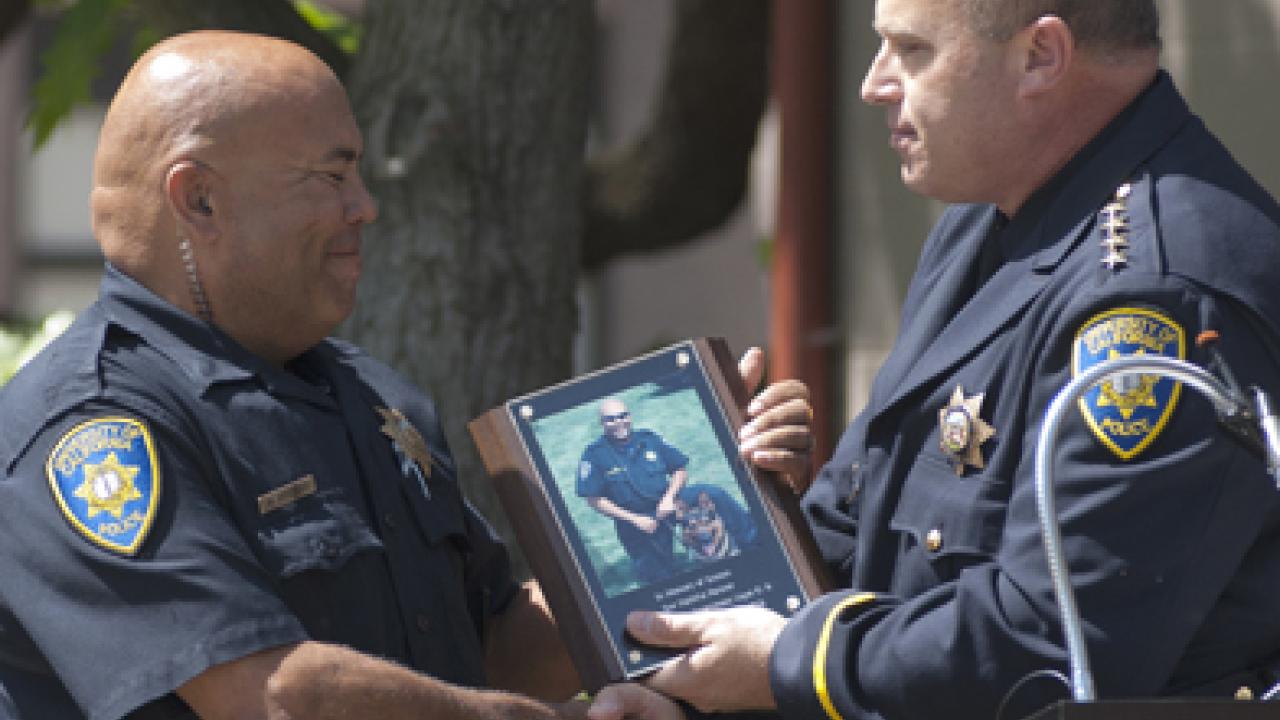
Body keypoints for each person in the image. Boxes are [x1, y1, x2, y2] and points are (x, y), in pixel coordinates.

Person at [0, 31, 816, 720]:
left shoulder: (367, 394)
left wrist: (726, 481)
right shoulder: (90, 434)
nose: (366, 206)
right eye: (331, 175)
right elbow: (271, 695)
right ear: (201, 202)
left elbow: (492, 650)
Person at [588, 1, 1280, 719]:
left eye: (911, 51)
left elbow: (1055, 647)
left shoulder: (1158, 296)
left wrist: (785, 662)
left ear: (1041, 56)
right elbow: (858, 530)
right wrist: (698, 676)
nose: (874, 83)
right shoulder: (986, 224)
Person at [578, 398, 690, 583]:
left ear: (630, 416)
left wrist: (669, 498)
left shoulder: (650, 439)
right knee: (657, 576)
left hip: (666, 509)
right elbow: (594, 499)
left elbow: (679, 469)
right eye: (611, 419)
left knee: (690, 556)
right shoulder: (595, 454)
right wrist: (635, 520)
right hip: (632, 524)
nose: (619, 423)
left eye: (623, 416)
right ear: (602, 423)